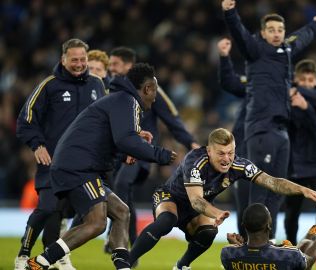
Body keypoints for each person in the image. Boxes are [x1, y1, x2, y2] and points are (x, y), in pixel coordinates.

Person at [25, 63, 177, 270]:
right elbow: (125, 140)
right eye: (154, 91)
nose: (155, 97)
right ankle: (39, 262)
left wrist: (128, 147)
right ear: (148, 88)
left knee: (121, 211)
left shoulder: (119, 100)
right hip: (78, 167)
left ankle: (123, 267)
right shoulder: (128, 101)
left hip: (77, 164)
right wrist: (160, 154)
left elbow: (110, 137)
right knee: (97, 222)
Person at [128, 128, 316, 270]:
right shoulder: (195, 161)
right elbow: (196, 200)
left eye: (230, 152)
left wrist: (302, 189)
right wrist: (217, 212)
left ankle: (181, 266)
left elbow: (272, 182)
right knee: (166, 221)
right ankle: (126, 263)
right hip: (171, 198)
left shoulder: (239, 166)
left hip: (196, 210)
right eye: (221, 153)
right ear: (209, 150)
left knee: (209, 232)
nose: (227, 158)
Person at [222, 0, 316, 239]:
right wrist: (230, 12)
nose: (277, 34)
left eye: (280, 30)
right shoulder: (255, 50)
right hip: (261, 128)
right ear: (262, 33)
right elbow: (240, 34)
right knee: (260, 187)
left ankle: (268, 242)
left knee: (277, 190)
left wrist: (314, 24)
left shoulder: (286, 51)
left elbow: (301, 38)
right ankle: (251, 245)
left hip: (281, 130)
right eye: (271, 30)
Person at [15, 38, 106, 270]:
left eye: (82, 59)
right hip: (53, 162)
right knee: (47, 208)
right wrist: (38, 145)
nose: (79, 64)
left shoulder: (97, 85)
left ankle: (54, 256)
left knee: (73, 214)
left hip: (84, 165)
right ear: (63, 60)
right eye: (74, 59)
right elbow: (26, 120)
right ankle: (23, 254)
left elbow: (107, 121)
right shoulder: (49, 85)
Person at [104, 46, 199, 253]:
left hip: (140, 151)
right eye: (109, 64)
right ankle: (125, 240)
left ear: (129, 66)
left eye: (115, 64)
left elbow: (171, 119)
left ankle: (120, 237)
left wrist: (190, 143)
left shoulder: (150, 87)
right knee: (118, 191)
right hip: (116, 151)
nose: (110, 68)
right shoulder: (110, 87)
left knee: (122, 183)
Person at [284, 59, 316, 270]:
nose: (306, 83)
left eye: (310, 80)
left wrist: (304, 105)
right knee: (292, 211)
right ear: (296, 78)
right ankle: (292, 250)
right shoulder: (287, 98)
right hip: (295, 162)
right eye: (302, 79)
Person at [221, 203, 316, 270]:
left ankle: (310, 237)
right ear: (269, 226)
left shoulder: (227, 253)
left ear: (244, 225)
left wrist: (238, 246)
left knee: (303, 244)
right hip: (291, 255)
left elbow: (252, 258)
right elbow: (309, 261)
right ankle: (311, 236)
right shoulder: (288, 255)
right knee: (304, 246)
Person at [217, 37, 249, 239]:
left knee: (265, 200)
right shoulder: (253, 83)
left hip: (271, 147)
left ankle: (265, 245)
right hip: (245, 149)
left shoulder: (283, 85)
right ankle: (245, 245)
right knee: (243, 198)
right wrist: (224, 57)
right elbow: (229, 82)